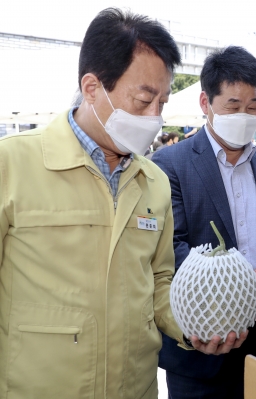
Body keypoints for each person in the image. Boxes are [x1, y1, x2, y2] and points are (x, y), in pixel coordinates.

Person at [0, 8, 201, 398]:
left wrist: (192, 326)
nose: (155, 117)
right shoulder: (12, 164)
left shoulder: (154, 181)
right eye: (144, 99)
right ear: (92, 88)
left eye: (162, 101)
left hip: (135, 387)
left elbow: (160, 280)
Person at [153, 45, 256, 399]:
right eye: (233, 105)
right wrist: (240, 279)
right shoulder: (169, 165)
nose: (244, 114)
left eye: (253, 106)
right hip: (202, 343)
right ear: (205, 103)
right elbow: (171, 247)